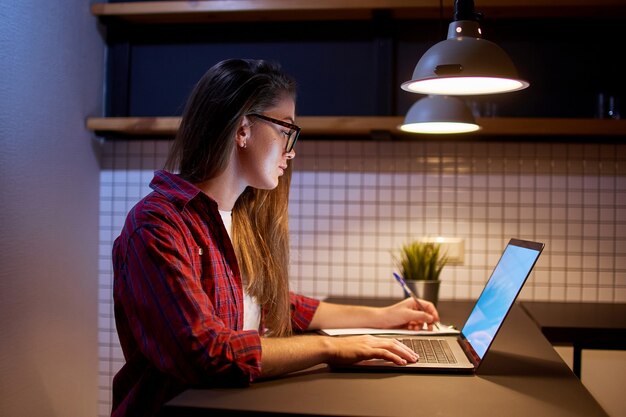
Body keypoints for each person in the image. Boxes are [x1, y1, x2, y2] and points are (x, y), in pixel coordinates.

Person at [111, 58, 440, 417]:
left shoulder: (239, 218)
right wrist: (332, 348)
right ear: (243, 130)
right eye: (285, 129)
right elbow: (207, 352)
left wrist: (382, 317)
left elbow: (275, 303)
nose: (292, 148)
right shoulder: (158, 226)